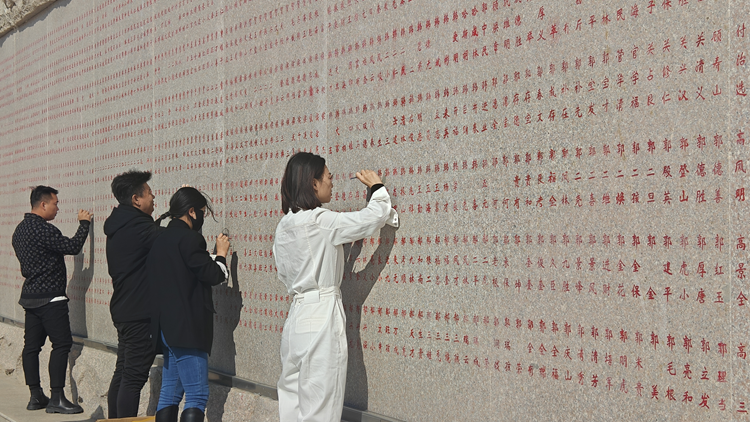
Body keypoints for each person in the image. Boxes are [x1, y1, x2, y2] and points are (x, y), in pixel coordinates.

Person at [273, 152, 398, 422]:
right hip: (321, 317)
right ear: (313, 183)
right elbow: (369, 219)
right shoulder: (319, 219)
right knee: (320, 410)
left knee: (292, 408)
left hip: (295, 318)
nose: (332, 182)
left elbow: (285, 273)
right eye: (328, 177)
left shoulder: (284, 226)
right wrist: (378, 189)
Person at [147, 187, 229, 422]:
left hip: (166, 329)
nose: (202, 217)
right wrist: (221, 255)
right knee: (197, 394)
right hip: (187, 330)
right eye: (202, 211)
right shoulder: (191, 239)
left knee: (169, 393)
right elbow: (213, 275)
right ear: (191, 212)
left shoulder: (159, 238)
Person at [11, 186, 92, 414]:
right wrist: (84, 224)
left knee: (31, 347)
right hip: (51, 299)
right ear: (43, 204)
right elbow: (72, 247)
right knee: (62, 344)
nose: (58, 208)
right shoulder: (43, 229)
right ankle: (56, 397)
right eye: (55, 203)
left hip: (30, 297)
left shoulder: (19, 230)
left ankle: (35, 395)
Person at [104, 170, 163, 418]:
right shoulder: (139, 226)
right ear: (136, 199)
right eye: (149, 193)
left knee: (123, 373)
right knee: (133, 377)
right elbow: (171, 241)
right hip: (139, 313)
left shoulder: (119, 224)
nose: (153, 197)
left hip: (124, 309)